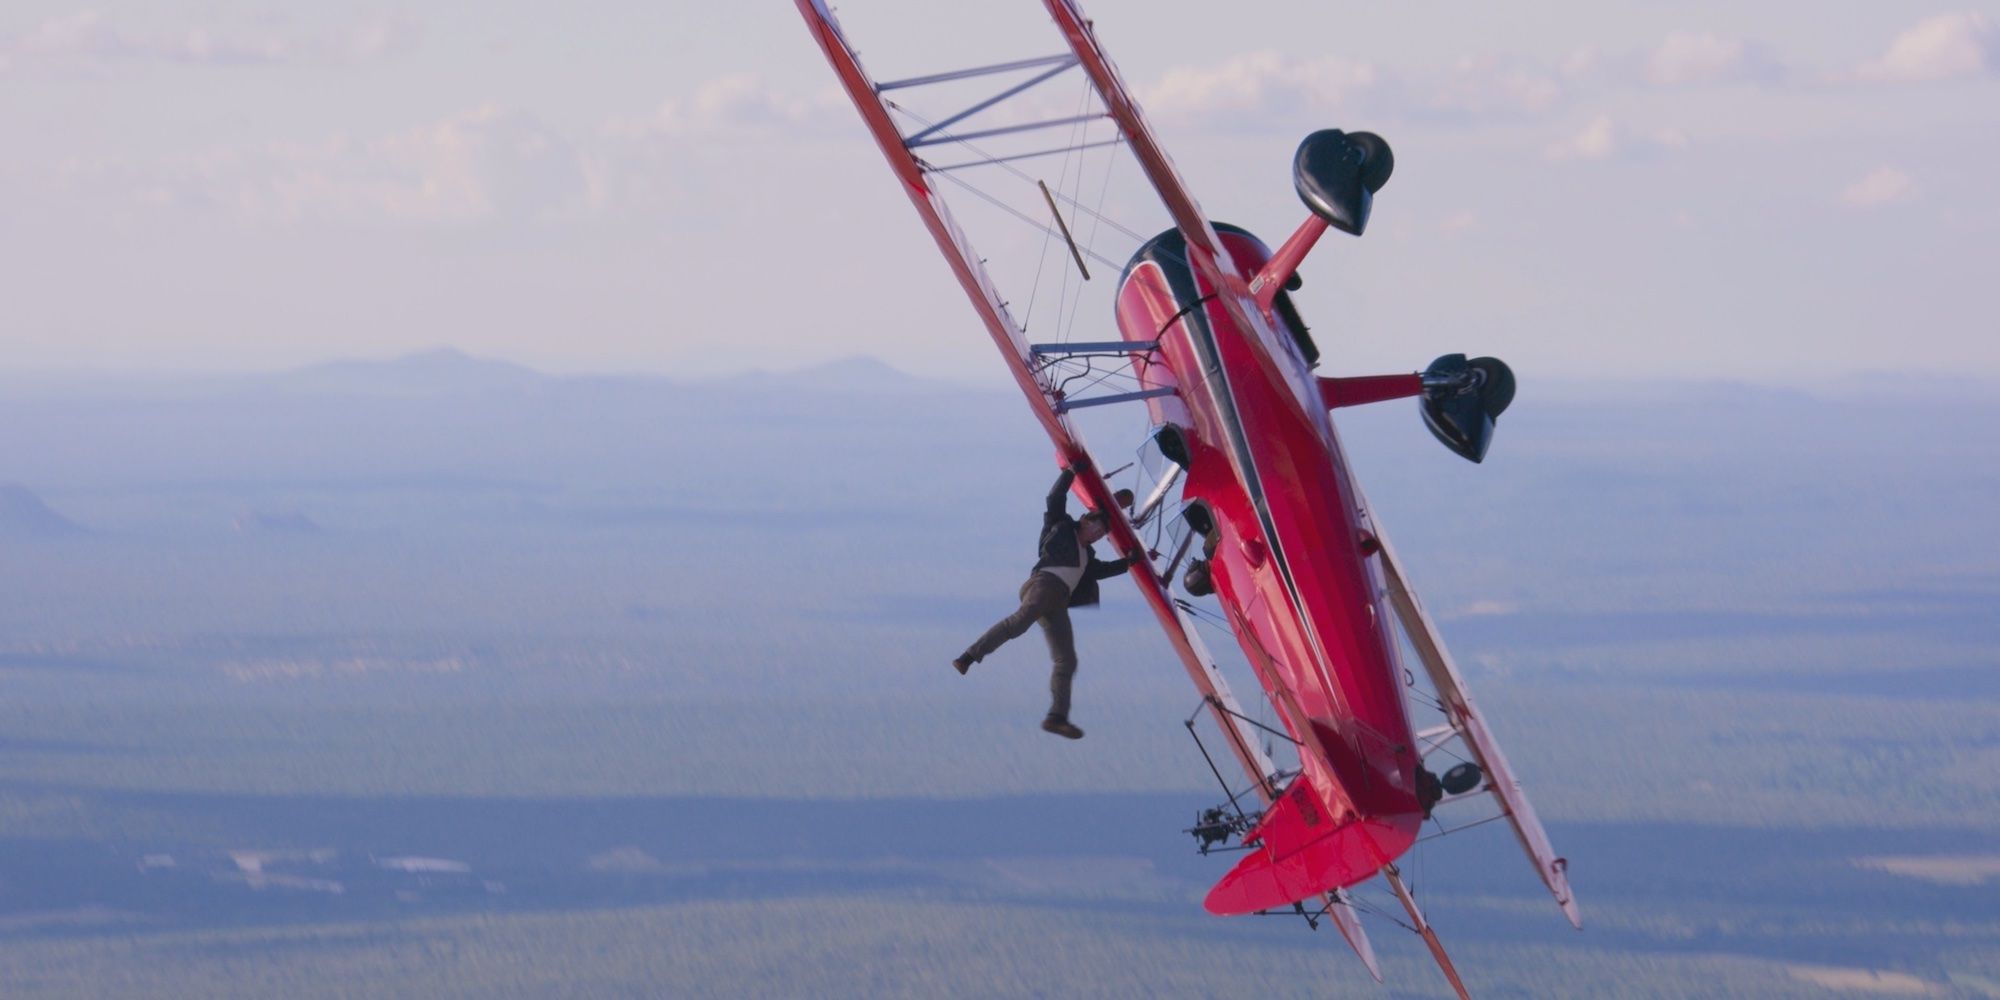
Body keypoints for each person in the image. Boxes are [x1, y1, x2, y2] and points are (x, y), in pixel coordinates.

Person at [952, 463, 1137, 739]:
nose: (1098, 534)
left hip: (1058, 601)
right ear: (1084, 520)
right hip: (1043, 584)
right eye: (1095, 527)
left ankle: (1057, 717)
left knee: (1067, 660)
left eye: (1102, 534)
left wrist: (1130, 562)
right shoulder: (1061, 528)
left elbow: (1102, 571)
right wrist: (1071, 472)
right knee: (1018, 623)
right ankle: (968, 656)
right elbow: (1054, 500)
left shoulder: (1088, 558)